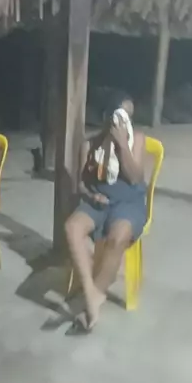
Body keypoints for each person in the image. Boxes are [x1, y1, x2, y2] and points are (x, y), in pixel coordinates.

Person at [64, 94, 146, 334]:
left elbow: (135, 178)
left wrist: (122, 146)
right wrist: (91, 196)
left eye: (129, 117)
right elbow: (81, 184)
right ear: (107, 118)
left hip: (128, 202)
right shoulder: (90, 144)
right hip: (98, 201)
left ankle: (94, 296)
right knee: (72, 227)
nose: (125, 122)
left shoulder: (136, 139)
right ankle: (91, 292)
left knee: (118, 237)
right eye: (121, 116)